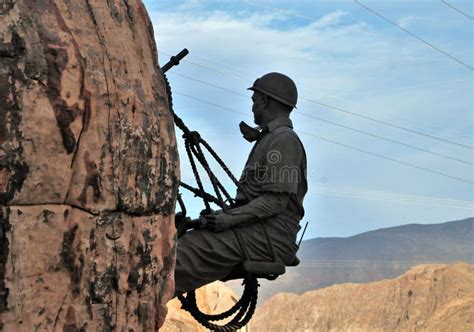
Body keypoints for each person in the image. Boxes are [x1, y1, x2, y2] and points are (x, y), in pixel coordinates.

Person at [174, 72, 308, 297]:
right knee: (187, 235)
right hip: (259, 229)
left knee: (187, 253)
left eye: (255, 101)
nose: (253, 108)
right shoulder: (270, 138)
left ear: (265, 101)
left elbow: (275, 202)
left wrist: (227, 220)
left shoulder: (283, 140)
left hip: (269, 235)